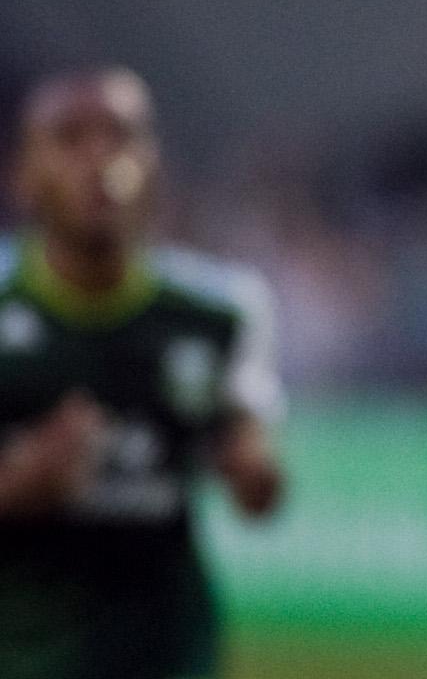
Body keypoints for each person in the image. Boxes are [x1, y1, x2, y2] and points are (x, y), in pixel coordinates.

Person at [0, 67, 286, 679]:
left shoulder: (222, 312)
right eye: (70, 138)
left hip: (167, 650)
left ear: (154, 165)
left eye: (122, 135)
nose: (99, 158)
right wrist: (22, 483)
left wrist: (252, 471)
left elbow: (258, 488)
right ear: (23, 172)